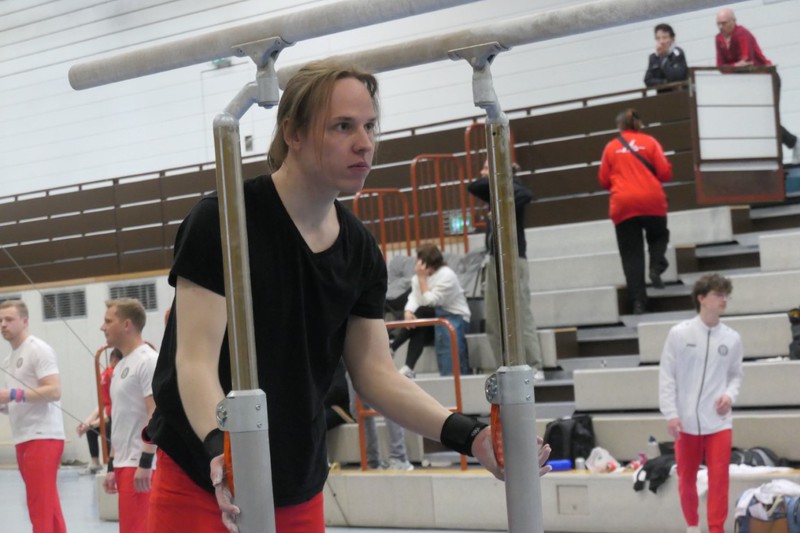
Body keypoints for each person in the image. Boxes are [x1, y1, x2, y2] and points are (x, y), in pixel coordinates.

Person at [145, 59, 551, 533]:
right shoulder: (223, 221)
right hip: (203, 477)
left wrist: (471, 435)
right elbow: (193, 362)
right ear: (293, 133)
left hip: (296, 482)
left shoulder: (359, 249)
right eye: (343, 126)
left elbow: (376, 374)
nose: (365, 143)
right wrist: (222, 449)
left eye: (369, 126)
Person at [659, 274, 744, 533]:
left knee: (719, 479)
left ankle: (716, 529)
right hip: (685, 421)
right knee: (686, 478)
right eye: (718, 294)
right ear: (702, 298)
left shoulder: (732, 338)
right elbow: (667, 375)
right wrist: (671, 413)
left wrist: (729, 396)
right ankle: (693, 527)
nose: (724, 299)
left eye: (726, 295)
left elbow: (736, 375)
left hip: (718, 422)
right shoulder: (679, 334)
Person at [467, 160, 544, 378]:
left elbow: (527, 195)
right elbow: (473, 186)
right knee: (493, 321)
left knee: (521, 314)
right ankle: (504, 367)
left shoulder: (513, 188)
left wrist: (503, 203)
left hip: (514, 259)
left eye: (486, 168)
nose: (481, 172)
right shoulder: (493, 191)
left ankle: (535, 365)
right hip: (494, 260)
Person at [0, 299, 66, 533]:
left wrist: (12, 394)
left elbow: (54, 390)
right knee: (48, 505)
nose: (3, 324)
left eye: (9, 319)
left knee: (39, 505)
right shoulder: (8, 360)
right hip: (23, 437)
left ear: (25, 321)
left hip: (43, 436)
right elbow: (18, 400)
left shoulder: (38, 349)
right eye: (0, 320)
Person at [598, 108, 673, 315]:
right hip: (652, 201)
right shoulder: (651, 142)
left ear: (619, 126)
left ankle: (638, 303)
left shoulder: (611, 147)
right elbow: (665, 173)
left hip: (624, 205)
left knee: (631, 256)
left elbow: (603, 180)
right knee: (659, 235)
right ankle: (656, 265)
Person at [101, 298, 158, 533]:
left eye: (108, 321)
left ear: (126, 325)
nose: (102, 327)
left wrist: (146, 462)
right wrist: (111, 466)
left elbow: (155, 413)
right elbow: (119, 421)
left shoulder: (147, 360)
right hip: (124, 464)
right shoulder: (120, 367)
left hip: (141, 464)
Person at [715, 7, 799, 164]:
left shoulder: (742, 34)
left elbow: (746, 61)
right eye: (718, 24)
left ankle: (792, 144)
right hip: (747, 84)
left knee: (767, 118)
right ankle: (790, 143)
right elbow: (720, 67)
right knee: (755, 120)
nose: (720, 27)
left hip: (765, 79)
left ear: (733, 21)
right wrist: (734, 66)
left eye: (724, 23)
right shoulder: (718, 39)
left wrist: (730, 67)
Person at [403, 243, 471, 377]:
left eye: (420, 261)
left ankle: (394, 349)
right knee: (418, 322)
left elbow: (430, 301)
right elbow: (414, 297)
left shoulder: (447, 275)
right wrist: (408, 312)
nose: (417, 265)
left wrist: (422, 280)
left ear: (427, 264)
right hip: (434, 316)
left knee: (426, 316)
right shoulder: (419, 277)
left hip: (455, 316)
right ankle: (407, 365)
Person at [76, 347, 122, 475]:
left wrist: (92, 423)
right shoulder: (108, 375)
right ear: (115, 360)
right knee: (91, 430)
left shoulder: (111, 375)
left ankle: (109, 464)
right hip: (110, 414)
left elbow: (114, 408)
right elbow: (102, 404)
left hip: (115, 416)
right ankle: (95, 462)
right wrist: (86, 423)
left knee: (106, 429)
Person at [644, 23, 688, 89]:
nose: (661, 42)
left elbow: (676, 78)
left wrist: (663, 57)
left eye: (664, 38)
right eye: (658, 38)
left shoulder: (678, 53)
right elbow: (648, 80)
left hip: (680, 93)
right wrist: (665, 82)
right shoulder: (653, 57)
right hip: (662, 94)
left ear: (672, 39)